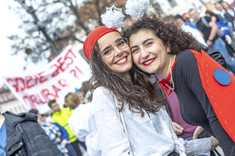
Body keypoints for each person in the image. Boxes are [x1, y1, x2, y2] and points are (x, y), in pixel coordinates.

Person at [82, 25, 218, 155]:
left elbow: (170, 146)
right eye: (107, 51)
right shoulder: (104, 95)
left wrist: (212, 141)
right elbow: (116, 152)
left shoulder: (142, 85)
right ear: (100, 63)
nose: (118, 52)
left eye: (120, 43)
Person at [124, 14, 235, 155]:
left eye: (148, 43)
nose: (144, 54)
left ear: (167, 45)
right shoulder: (173, 76)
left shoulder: (185, 62)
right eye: (135, 50)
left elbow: (218, 117)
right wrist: (203, 123)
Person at [189, 8, 235, 74]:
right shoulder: (195, 25)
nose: (194, 15)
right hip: (210, 47)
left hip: (217, 42)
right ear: (191, 17)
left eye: (194, 13)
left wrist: (210, 40)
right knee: (222, 65)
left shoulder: (205, 18)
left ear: (197, 12)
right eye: (192, 15)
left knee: (228, 61)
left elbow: (214, 27)